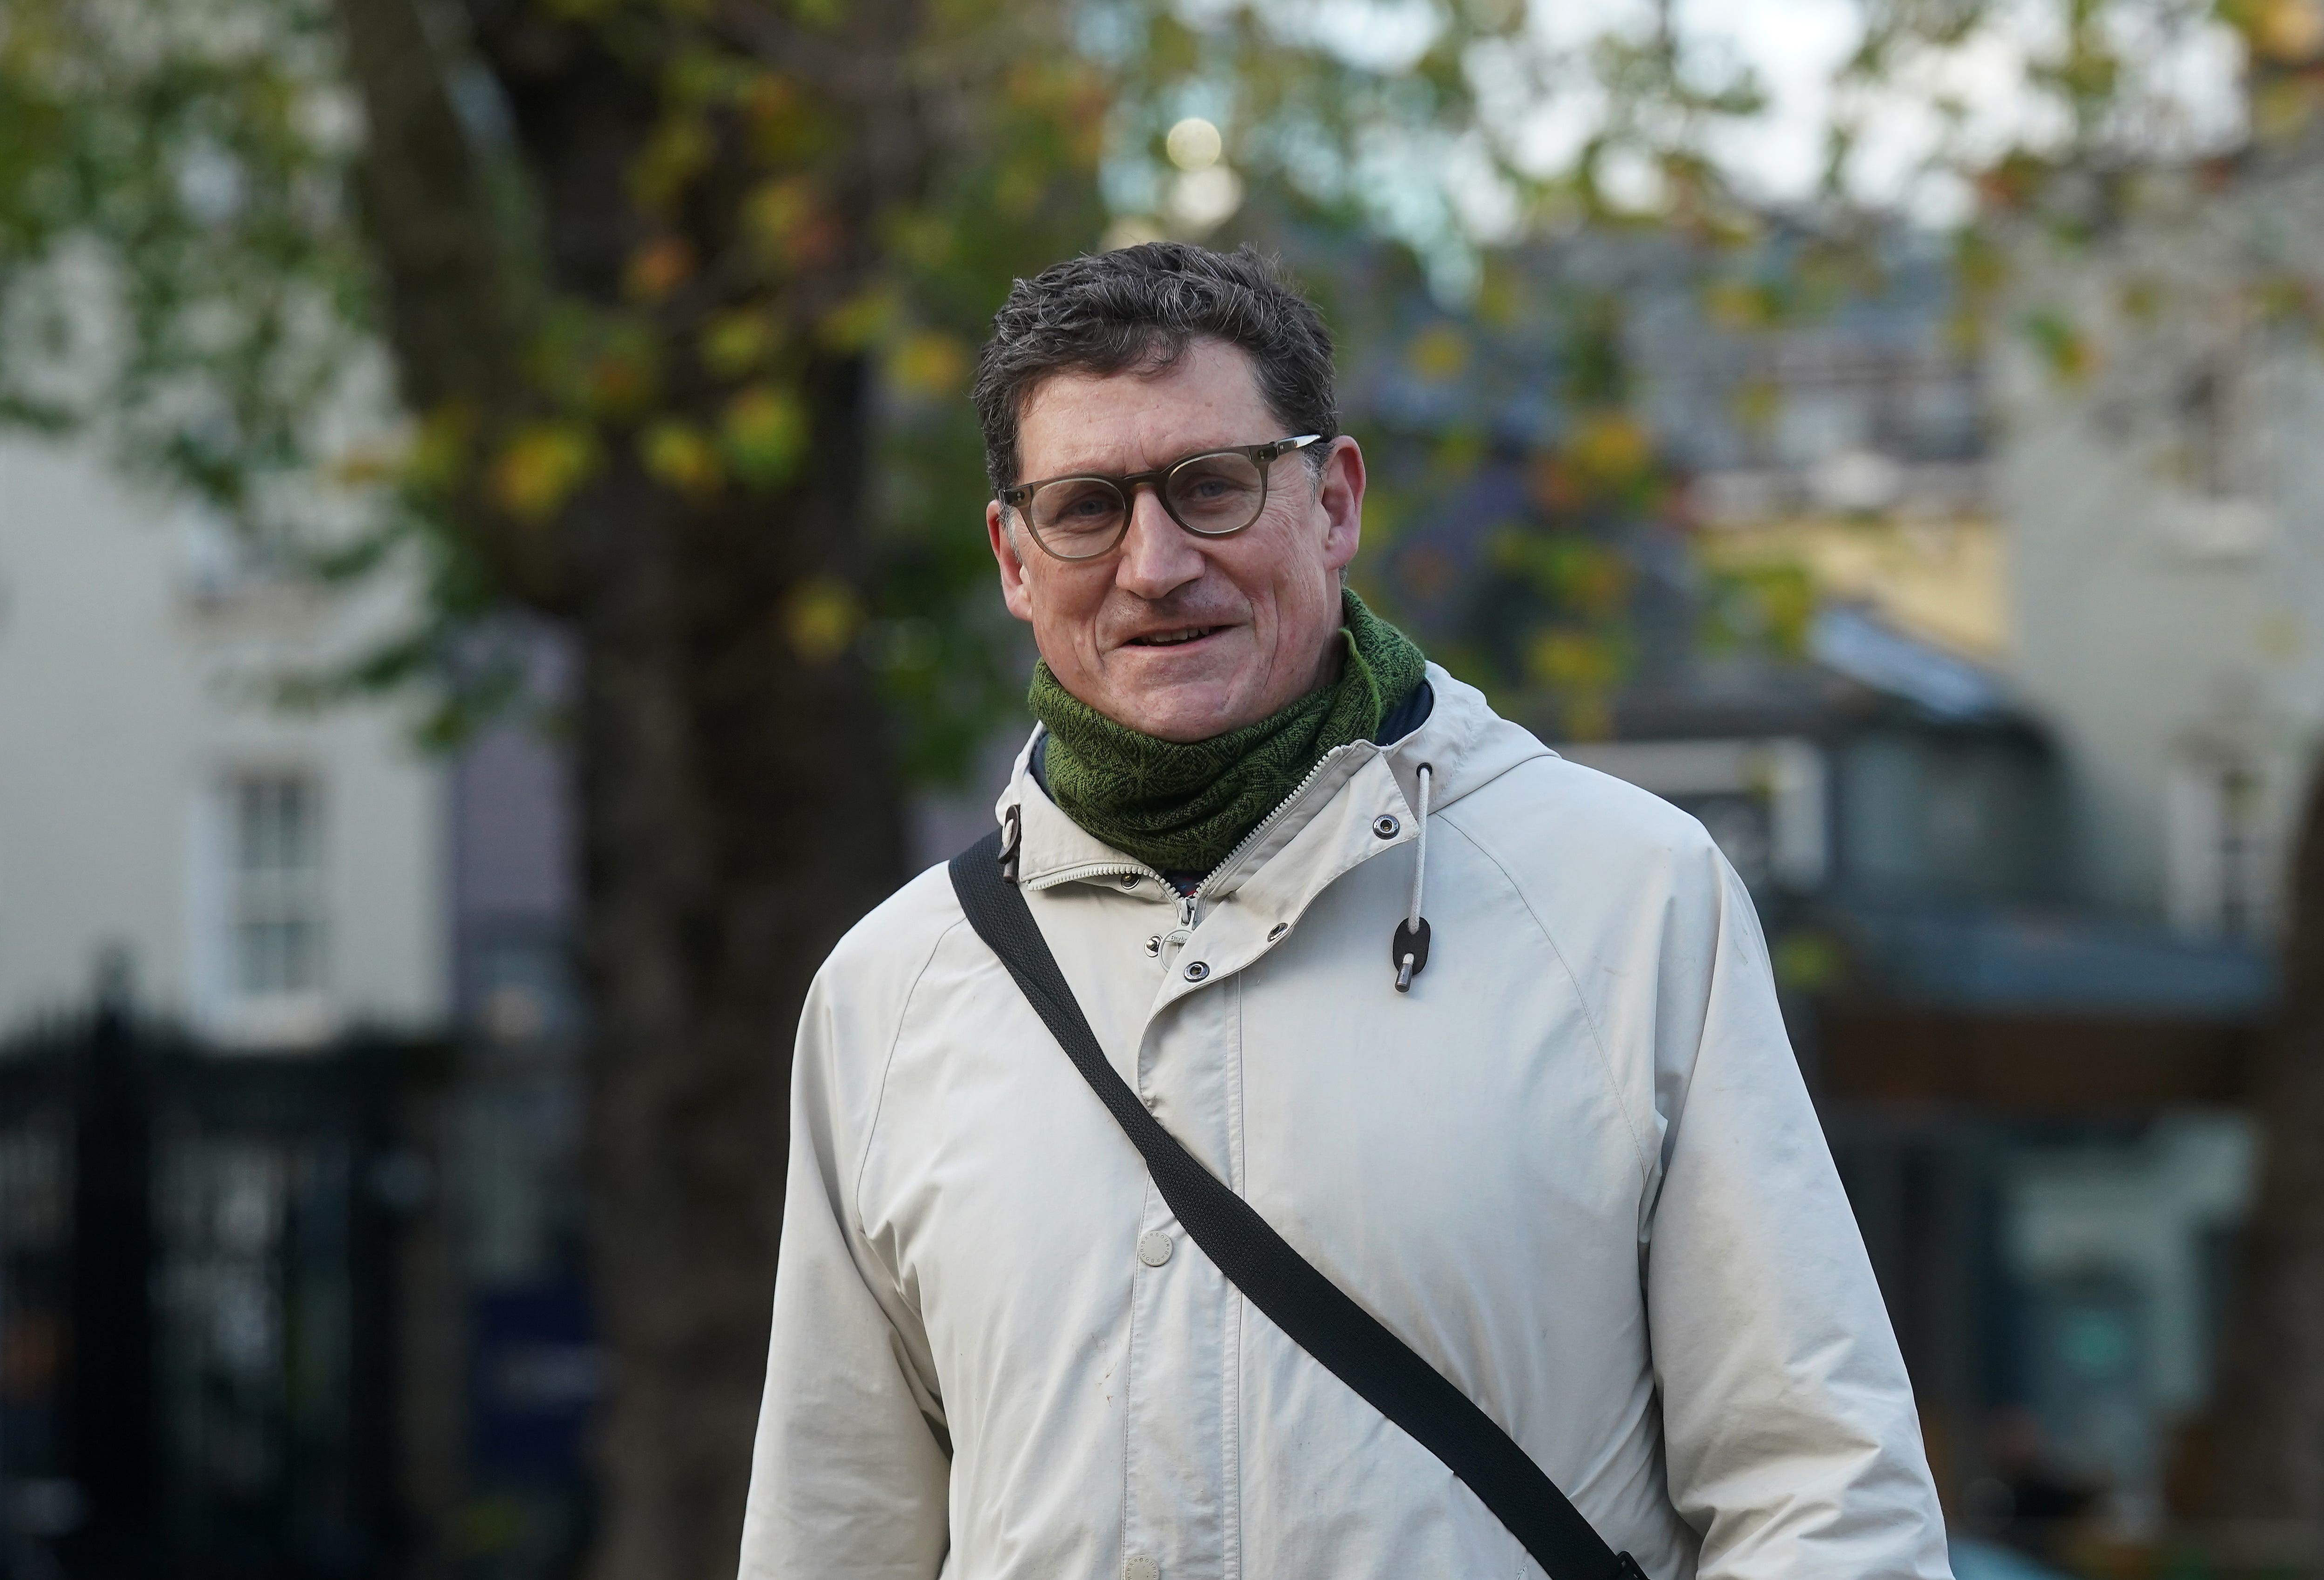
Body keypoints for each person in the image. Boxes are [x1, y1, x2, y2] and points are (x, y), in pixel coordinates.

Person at [736, 242, 1952, 1580]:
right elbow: (830, 1530)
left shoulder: (1630, 900)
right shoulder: (893, 992)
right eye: (1086, 506)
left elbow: (1821, 1495)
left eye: (1211, 486)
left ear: (1333, 499)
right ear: (1015, 559)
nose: (1154, 563)